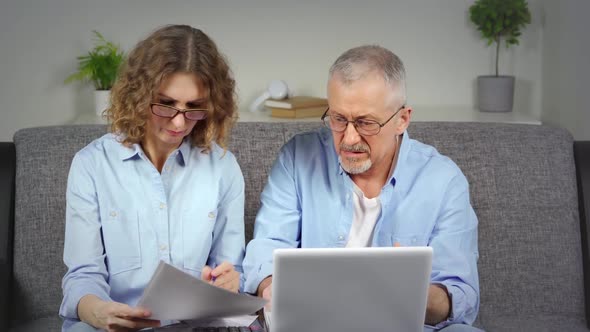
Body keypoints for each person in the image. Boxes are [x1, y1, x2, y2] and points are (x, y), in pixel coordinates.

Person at [242, 45, 481, 331]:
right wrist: (272, 288)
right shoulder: (297, 159)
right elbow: (266, 250)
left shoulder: (443, 180)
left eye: (366, 123)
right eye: (339, 119)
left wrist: (410, 294)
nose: (349, 138)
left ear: (402, 120)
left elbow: (461, 295)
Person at [59, 25, 245, 332]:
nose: (179, 122)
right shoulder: (91, 165)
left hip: (193, 325)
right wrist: (99, 312)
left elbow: (231, 266)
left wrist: (228, 280)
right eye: (166, 104)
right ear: (138, 95)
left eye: (194, 108)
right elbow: (83, 274)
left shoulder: (223, 167)